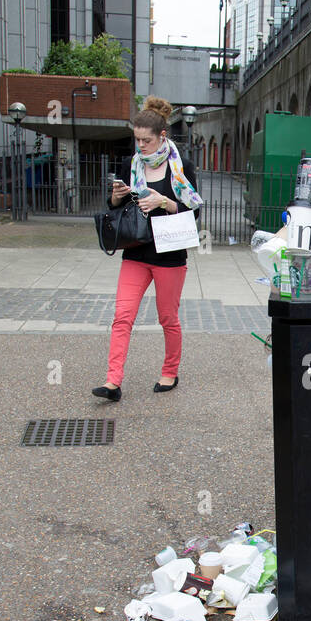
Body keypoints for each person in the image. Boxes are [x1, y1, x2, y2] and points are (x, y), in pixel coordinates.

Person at [92, 95, 202, 401]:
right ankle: (112, 382)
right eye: (137, 140)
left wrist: (163, 201)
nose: (141, 146)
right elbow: (116, 206)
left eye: (146, 140)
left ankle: (170, 371)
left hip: (170, 255)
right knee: (122, 315)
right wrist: (115, 197)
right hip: (136, 251)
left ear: (161, 136)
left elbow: (194, 211)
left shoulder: (183, 167)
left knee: (167, 317)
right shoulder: (131, 164)